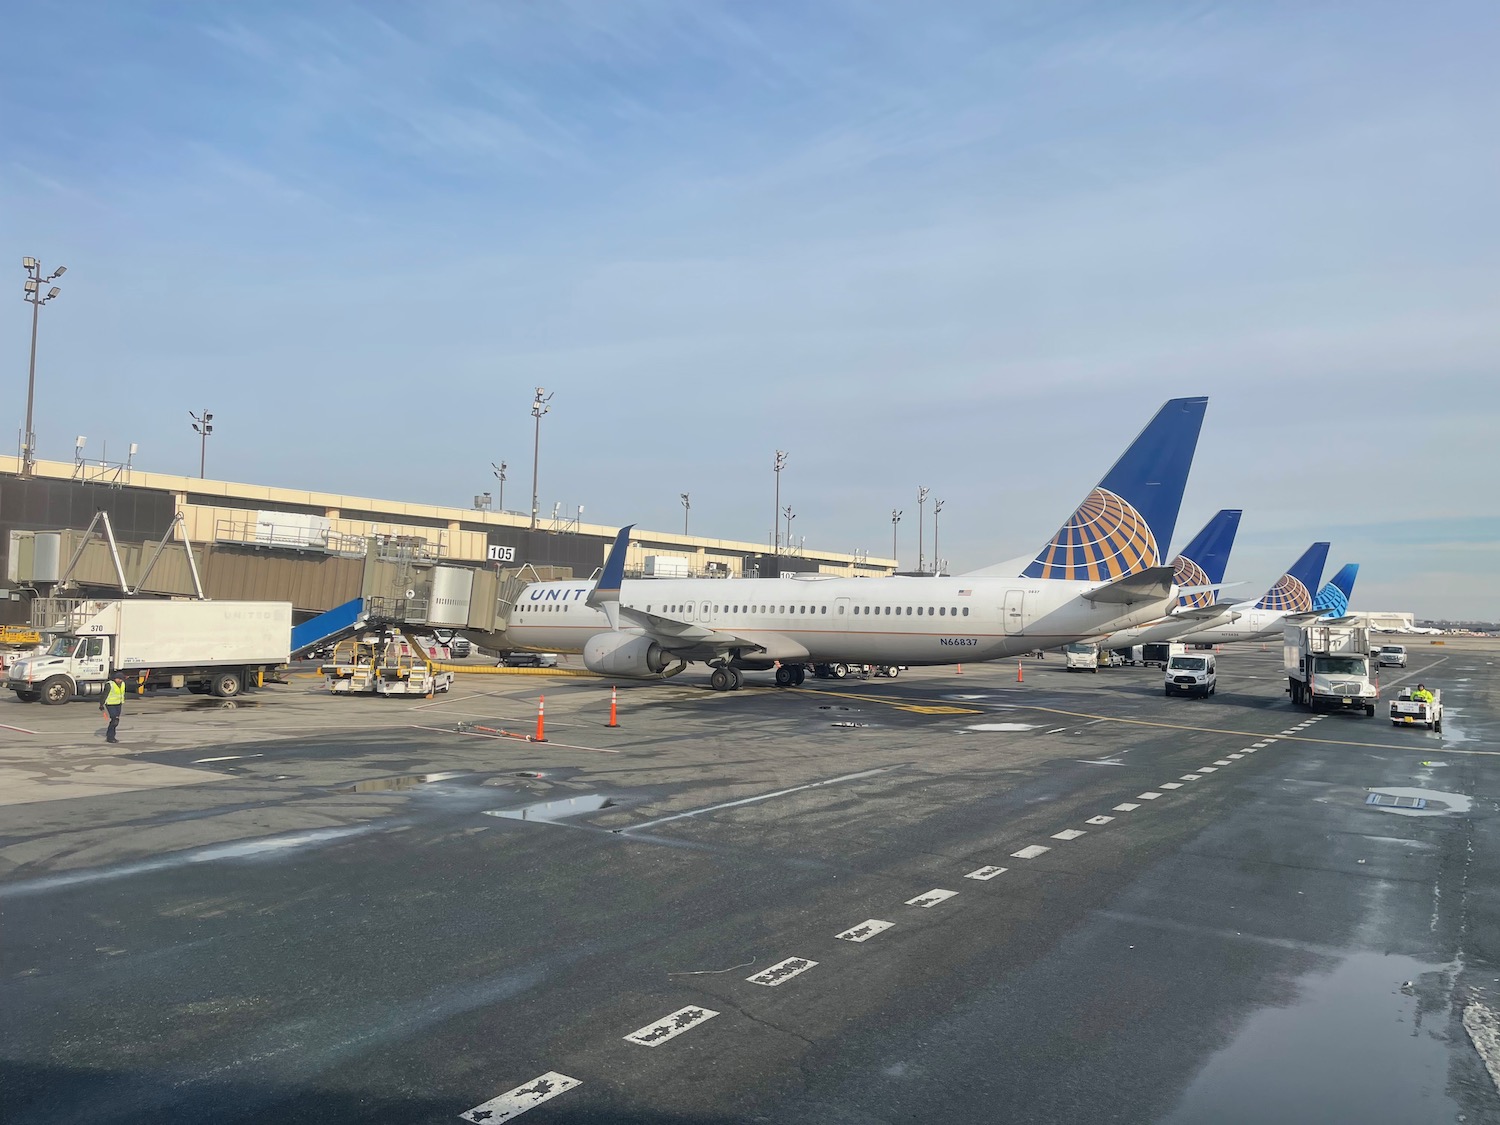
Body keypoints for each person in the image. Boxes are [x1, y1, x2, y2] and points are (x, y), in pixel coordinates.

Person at [102, 672, 126, 743]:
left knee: (115, 721)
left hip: (118, 704)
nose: (119, 680)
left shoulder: (123, 684)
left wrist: (140, 684)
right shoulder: (109, 684)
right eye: (118, 679)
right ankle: (110, 737)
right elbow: (104, 694)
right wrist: (101, 704)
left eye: (121, 679)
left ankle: (109, 735)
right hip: (110, 704)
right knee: (114, 720)